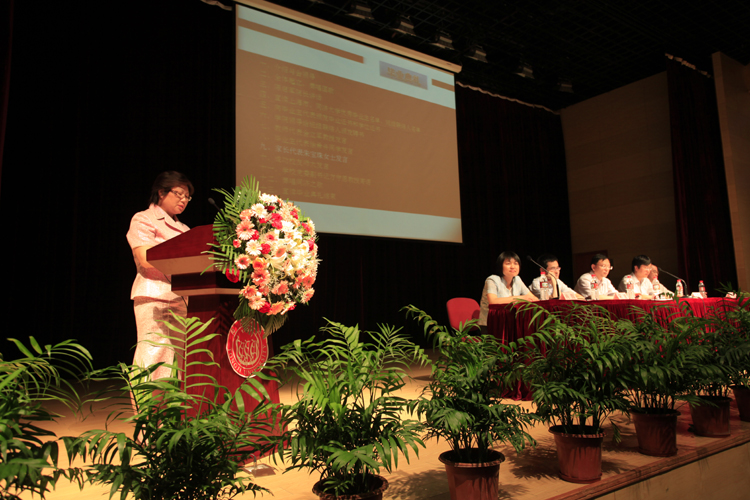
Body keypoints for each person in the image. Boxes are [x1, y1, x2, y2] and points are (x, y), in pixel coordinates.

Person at [126, 171, 194, 380]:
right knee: (153, 353)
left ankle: (178, 409)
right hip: (155, 294)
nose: (184, 200)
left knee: (185, 357)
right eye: (179, 194)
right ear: (161, 192)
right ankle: (147, 409)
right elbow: (145, 256)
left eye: (188, 197)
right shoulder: (144, 218)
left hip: (182, 298)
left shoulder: (185, 229)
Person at [478, 251, 538, 333]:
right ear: (500, 266)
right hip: (491, 324)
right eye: (508, 263)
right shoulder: (492, 280)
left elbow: (533, 298)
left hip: (510, 323)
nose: (513, 267)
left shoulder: (517, 279)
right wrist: (520, 298)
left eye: (516, 263)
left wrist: (529, 299)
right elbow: (493, 301)